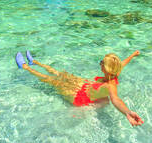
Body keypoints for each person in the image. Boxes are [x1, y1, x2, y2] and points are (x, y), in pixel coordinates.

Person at [15, 50, 144, 127]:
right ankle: (35, 62)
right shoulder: (115, 72)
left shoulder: (110, 85)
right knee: (60, 74)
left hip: (79, 96)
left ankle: (25, 67)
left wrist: (127, 112)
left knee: (52, 80)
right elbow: (122, 64)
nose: (100, 64)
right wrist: (133, 54)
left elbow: (115, 99)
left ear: (108, 70)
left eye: (102, 63)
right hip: (84, 85)